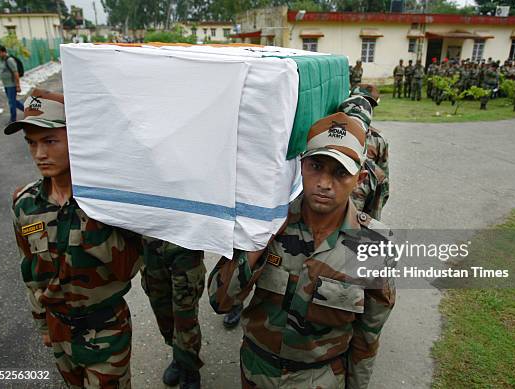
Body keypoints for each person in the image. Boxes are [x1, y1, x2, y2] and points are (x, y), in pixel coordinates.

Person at [208, 112, 396, 389]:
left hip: (320, 379)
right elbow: (219, 301)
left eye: (340, 172)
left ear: (360, 178)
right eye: (316, 166)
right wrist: (262, 237)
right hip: (257, 371)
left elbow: (367, 337)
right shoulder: (267, 222)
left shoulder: (374, 245)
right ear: (301, 166)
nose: (324, 183)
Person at [7, 89, 143, 388]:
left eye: (50, 141)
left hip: (106, 332)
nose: (39, 154)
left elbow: (128, 267)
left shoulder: (109, 201)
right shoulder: (25, 203)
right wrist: (43, 324)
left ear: (77, 138)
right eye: (32, 143)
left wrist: (90, 217)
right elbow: (29, 271)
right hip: (59, 333)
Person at [141, 239, 205, 388]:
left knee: (185, 315)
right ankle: (178, 354)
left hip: (185, 247)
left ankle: (189, 367)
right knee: (162, 309)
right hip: (150, 246)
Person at [0, 45, 24, 123]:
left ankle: (13, 120)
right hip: (6, 85)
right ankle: (27, 110)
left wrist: (18, 86)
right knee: (13, 101)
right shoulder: (2, 60)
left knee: (11, 103)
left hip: (12, 85)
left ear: (4, 52)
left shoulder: (10, 60)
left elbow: (16, 73)